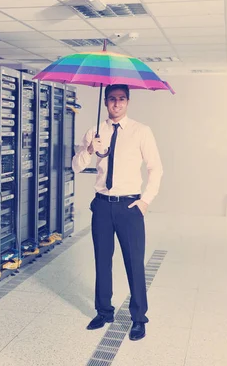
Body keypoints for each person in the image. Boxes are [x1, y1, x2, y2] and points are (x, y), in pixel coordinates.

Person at [72, 84, 163, 341]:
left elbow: (156, 168)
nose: (117, 104)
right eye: (112, 99)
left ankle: (138, 318)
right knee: (102, 260)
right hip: (101, 205)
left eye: (122, 99)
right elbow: (76, 167)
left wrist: (145, 201)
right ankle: (104, 311)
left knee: (134, 263)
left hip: (129, 206)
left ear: (128, 102)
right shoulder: (94, 131)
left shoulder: (141, 131)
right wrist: (90, 149)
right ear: (105, 102)